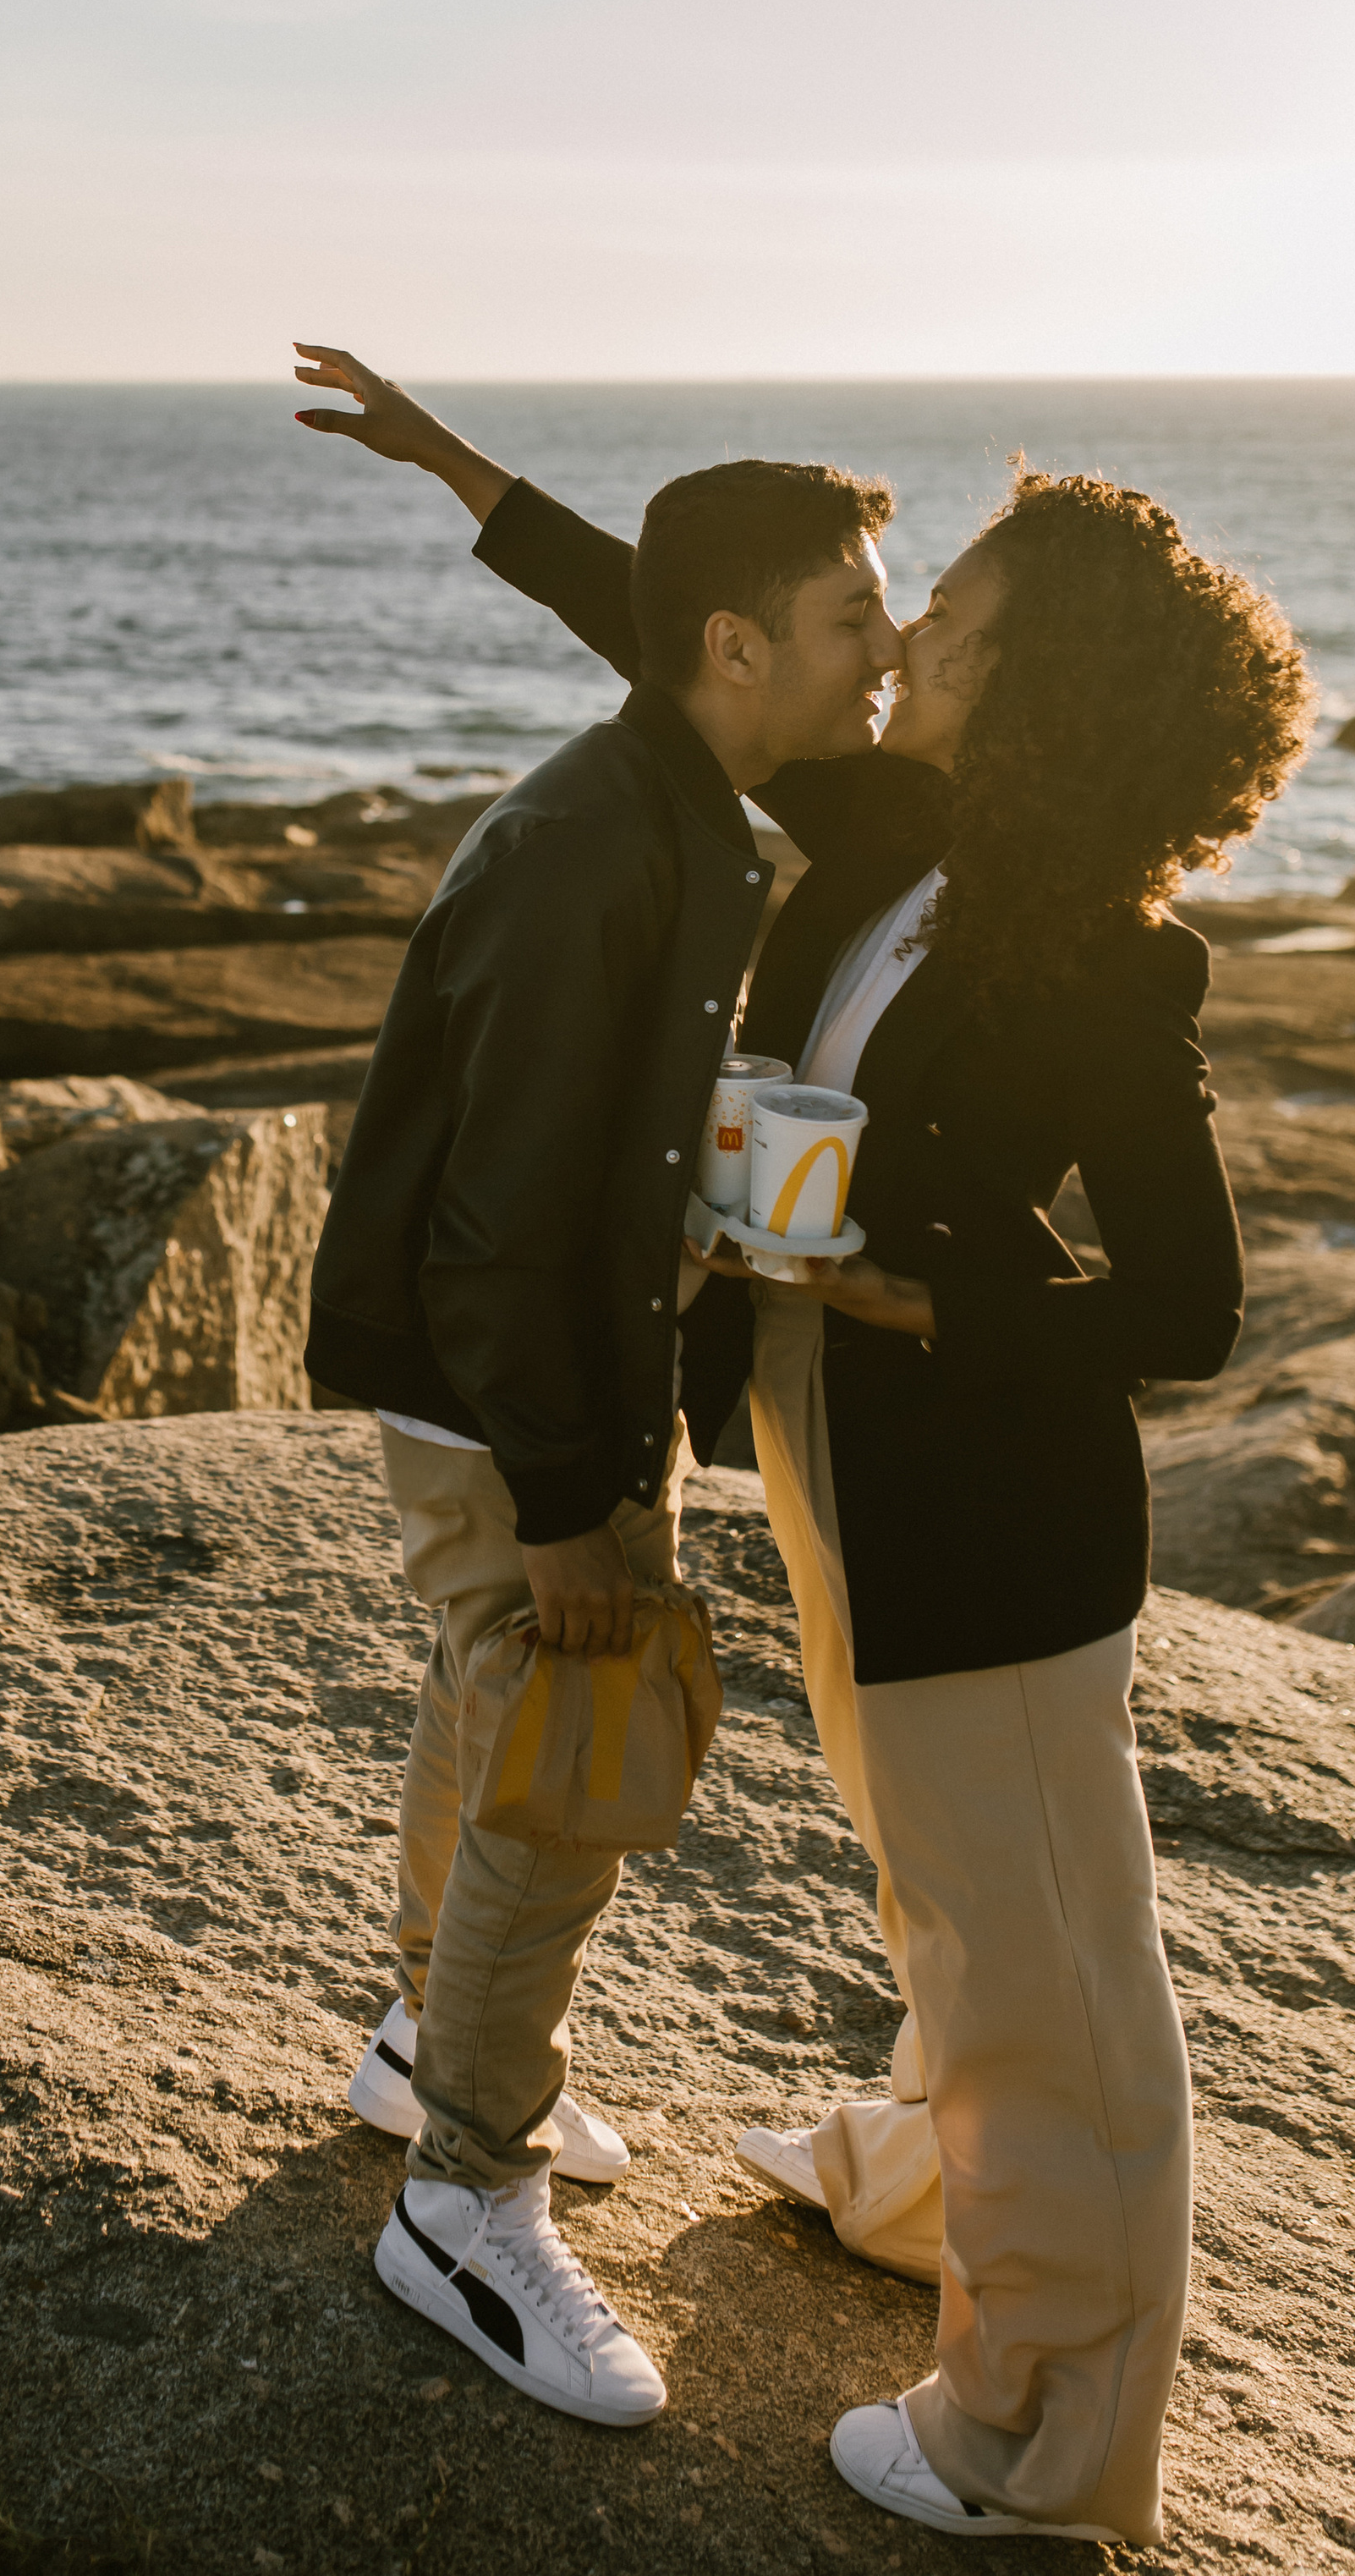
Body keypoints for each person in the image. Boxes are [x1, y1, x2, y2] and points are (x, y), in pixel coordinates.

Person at [292, 344, 1312, 2547]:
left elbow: (1192, 1306)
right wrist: (472, 478)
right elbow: (691, 654)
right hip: (825, 1448)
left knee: (1046, 1961)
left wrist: (925, 1295)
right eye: (901, 612)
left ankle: (1033, 2432)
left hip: (976, 1496)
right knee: (941, 1898)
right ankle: (925, 2178)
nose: (909, 644)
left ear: (1028, 694)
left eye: (948, 624)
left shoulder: (1101, 957)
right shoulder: (898, 835)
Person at [302, 423, 903, 2425]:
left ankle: (419, 2039)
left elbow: (587, 1154)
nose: (883, 651)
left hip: (531, 1369)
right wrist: (580, 1504)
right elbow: (496, 1217)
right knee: (566, 1755)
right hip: (512, 1386)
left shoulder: (677, 789)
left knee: (492, 1708)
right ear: (735, 645)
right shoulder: (598, 841)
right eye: (850, 617)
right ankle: (462, 2197)